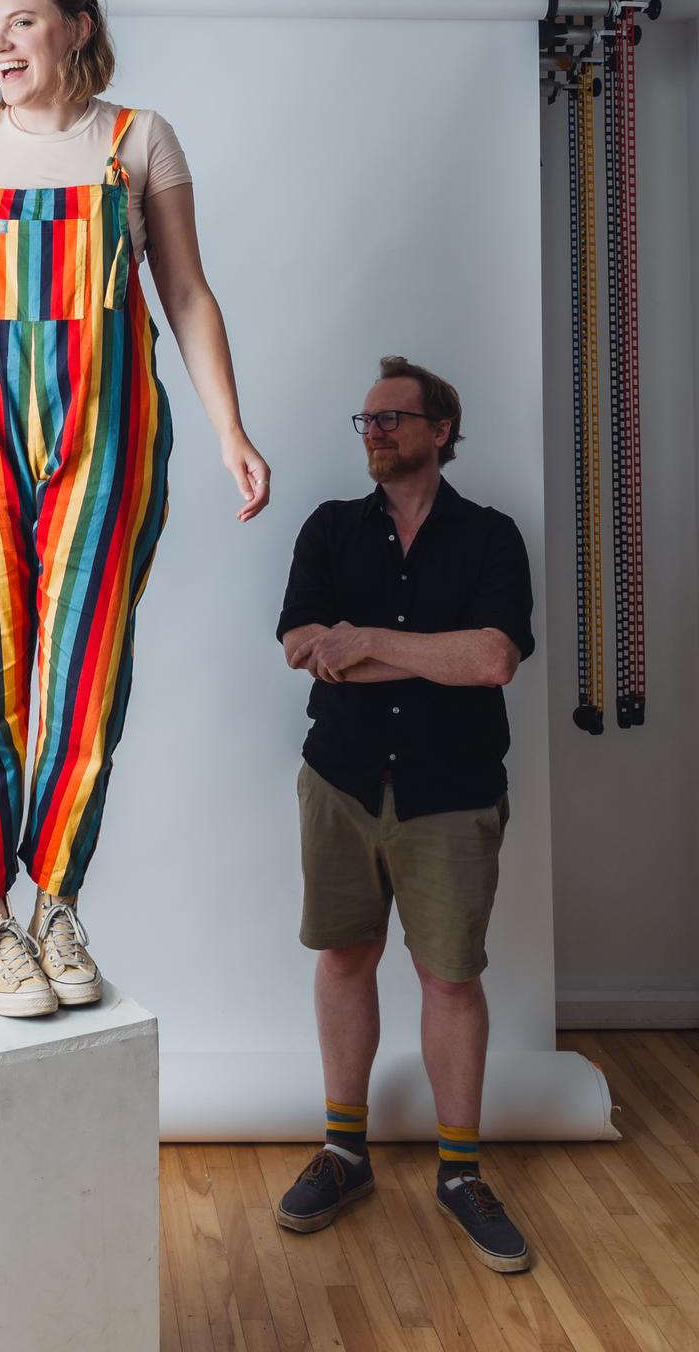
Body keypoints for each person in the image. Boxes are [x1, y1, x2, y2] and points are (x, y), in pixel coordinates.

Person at [0, 0, 270, 1018]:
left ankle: (58, 903)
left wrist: (230, 428)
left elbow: (185, 289)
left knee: (86, 673)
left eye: (22, 23)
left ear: (79, 28)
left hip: (109, 434)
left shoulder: (138, 140)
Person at [274, 355, 534, 1273]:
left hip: (452, 794)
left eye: (393, 417)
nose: (375, 430)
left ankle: (460, 1174)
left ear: (441, 431)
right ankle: (347, 1154)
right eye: (367, 420)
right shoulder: (330, 529)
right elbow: (305, 645)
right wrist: (430, 654)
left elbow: (495, 660)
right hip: (340, 782)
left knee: (450, 979)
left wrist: (372, 641)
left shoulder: (492, 537)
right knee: (346, 958)